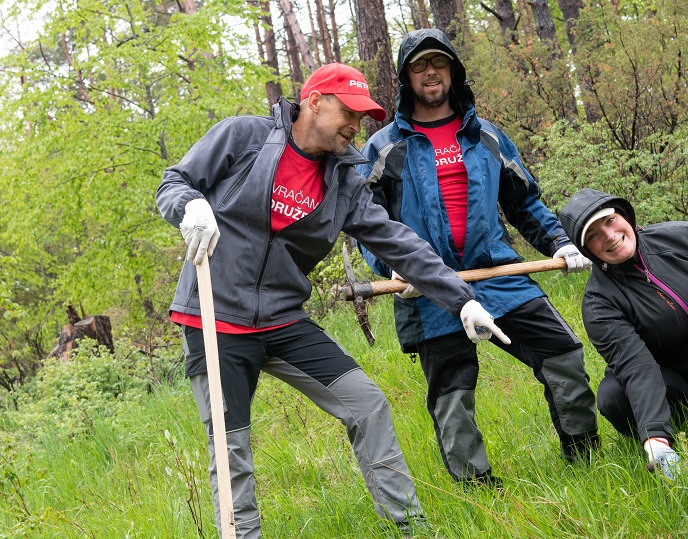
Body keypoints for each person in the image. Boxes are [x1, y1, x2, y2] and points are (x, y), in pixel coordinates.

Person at [156, 62, 509, 538]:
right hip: (215, 317)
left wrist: (461, 300)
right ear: (315, 102)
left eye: (363, 118)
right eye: (349, 113)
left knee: (366, 403)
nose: (356, 126)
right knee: (231, 448)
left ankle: (413, 529)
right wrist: (190, 206)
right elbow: (174, 182)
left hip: (282, 319)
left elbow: (396, 241)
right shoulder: (244, 137)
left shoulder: (343, 179)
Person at [356, 29, 600, 487]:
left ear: (453, 71)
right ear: (406, 78)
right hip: (427, 285)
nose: (431, 72)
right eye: (420, 65)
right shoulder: (384, 147)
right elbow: (364, 221)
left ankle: (586, 464)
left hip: (499, 272)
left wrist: (558, 241)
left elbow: (524, 201)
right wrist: (388, 265)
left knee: (564, 355)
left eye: (439, 63)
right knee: (453, 396)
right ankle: (480, 493)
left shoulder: (486, 135)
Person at [557, 188, 688, 480]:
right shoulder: (599, 303)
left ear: (623, 215)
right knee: (613, 395)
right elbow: (636, 366)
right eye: (592, 235)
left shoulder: (681, 236)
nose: (609, 236)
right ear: (586, 249)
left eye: (609, 220)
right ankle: (678, 434)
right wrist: (656, 439)